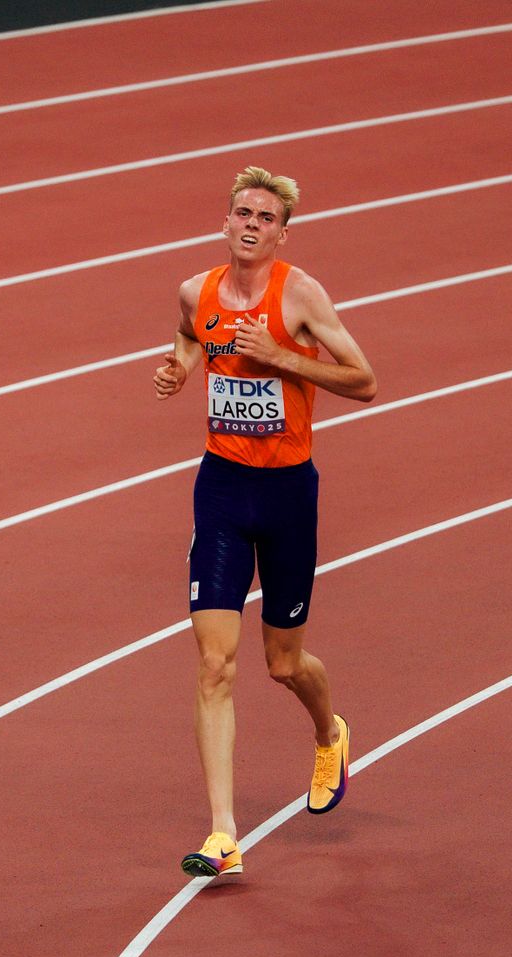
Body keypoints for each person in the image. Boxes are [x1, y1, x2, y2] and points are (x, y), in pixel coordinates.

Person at [154, 164, 377, 878]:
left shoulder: (301, 295)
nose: (251, 226)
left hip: (286, 493)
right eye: (241, 214)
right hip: (221, 488)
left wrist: (278, 356)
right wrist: (181, 367)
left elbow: (365, 381)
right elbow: (192, 334)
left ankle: (329, 732)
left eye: (265, 218)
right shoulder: (198, 291)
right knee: (215, 664)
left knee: (283, 663)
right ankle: (223, 834)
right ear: (225, 222)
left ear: (281, 233)